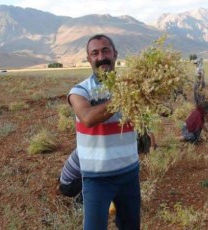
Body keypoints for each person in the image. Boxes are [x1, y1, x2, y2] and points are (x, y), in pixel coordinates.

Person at [68, 34, 140, 230]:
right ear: (89, 59)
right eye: (95, 53)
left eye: (105, 50)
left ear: (115, 54)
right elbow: (88, 117)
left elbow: (149, 113)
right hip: (97, 178)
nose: (101, 57)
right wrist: (126, 97)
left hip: (129, 174)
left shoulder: (132, 86)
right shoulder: (80, 91)